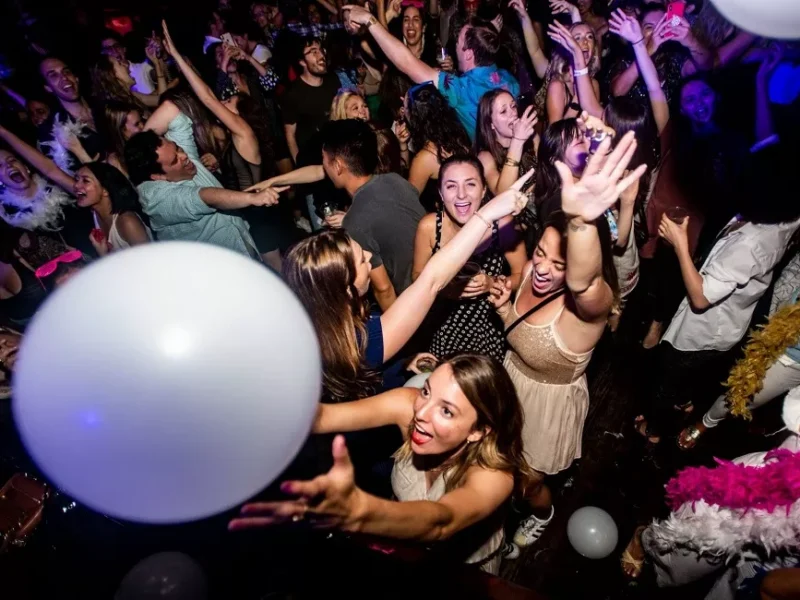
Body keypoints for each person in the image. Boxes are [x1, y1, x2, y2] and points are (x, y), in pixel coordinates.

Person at [229, 354, 535, 575]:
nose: (421, 412)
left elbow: (441, 522)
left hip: (463, 572)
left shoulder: (495, 474)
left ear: (478, 431)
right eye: (426, 391)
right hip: (404, 549)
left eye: (447, 411)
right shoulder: (407, 407)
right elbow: (323, 417)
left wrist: (360, 512)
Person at [488, 132, 643, 552]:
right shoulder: (528, 270)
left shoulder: (587, 311)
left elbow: (585, 282)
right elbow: (519, 325)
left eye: (559, 264)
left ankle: (543, 513)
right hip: (510, 382)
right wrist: (504, 309)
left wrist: (581, 223)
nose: (542, 268)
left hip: (547, 405)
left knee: (526, 483)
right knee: (495, 462)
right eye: (541, 253)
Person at [275, 174, 529, 404]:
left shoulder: (324, 326)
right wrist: (487, 214)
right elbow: (431, 279)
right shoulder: (363, 341)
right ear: (346, 289)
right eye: (362, 260)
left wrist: (403, 362)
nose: (368, 255)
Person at [636, 141, 800, 444]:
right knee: (686, 375)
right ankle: (683, 402)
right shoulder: (787, 218)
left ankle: (654, 429)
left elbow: (700, 299)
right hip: (727, 326)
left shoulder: (751, 243)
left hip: (704, 330)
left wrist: (680, 245)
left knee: (667, 375)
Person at [163, 21, 291, 269]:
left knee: (279, 271)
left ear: (241, 115)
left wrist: (176, 56)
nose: (224, 101)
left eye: (230, 101)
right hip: (254, 211)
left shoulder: (244, 132)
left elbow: (208, 99)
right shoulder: (238, 137)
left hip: (260, 216)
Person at [124, 101, 283, 258]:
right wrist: (252, 198)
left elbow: (170, 109)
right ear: (158, 176)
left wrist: (142, 143)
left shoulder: (174, 156)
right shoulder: (156, 198)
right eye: (174, 160)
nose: (184, 156)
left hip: (244, 249)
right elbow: (204, 197)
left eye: (178, 148)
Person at [412, 154, 527, 363]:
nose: (461, 194)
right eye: (451, 186)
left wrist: (493, 283)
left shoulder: (503, 225)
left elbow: (523, 276)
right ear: (440, 193)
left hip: (489, 331)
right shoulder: (430, 227)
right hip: (443, 329)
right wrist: (444, 287)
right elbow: (416, 275)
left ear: (483, 190)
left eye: (470, 184)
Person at [343, 5, 519, 140]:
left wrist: (369, 19)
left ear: (468, 53)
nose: (455, 46)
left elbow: (407, 62)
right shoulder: (510, 79)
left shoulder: (461, 89)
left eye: (458, 42)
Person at [324, 119, 425, 309]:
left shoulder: (354, 222)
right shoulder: (394, 180)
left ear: (337, 165)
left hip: (415, 302)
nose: (323, 167)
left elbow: (384, 290)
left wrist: (398, 327)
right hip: (436, 280)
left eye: (324, 160)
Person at [405, 82, 472, 212]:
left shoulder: (425, 158)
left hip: (444, 219)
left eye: (406, 107)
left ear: (415, 116)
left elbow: (408, 204)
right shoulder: (460, 136)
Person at [37, 57, 105, 173]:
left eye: (66, 71)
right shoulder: (53, 131)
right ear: (48, 88)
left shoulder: (103, 104)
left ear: (76, 78)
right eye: (54, 75)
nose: (64, 77)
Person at [281, 37, 341, 163]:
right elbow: (290, 135)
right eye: (314, 52)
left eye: (321, 50)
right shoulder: (293, 93)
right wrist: (299, 164)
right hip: (312, 159)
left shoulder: (333, 80)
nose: (321, 55)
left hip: (336, 154)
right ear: (302, 62)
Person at [72, 162, 152, 254]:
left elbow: (150, 260)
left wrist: (104, 256)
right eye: (76, 179)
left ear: (105, 190)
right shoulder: (95, 213)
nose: (76, 185)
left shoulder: (127, 222)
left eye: (86, 181)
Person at [475, 89, 538, 195]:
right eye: (503, 111)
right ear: (491, 124)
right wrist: (517, 141)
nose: (513, 113)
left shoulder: (533, 138)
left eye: (513, 106)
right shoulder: (485, 157)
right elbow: (502, 194)